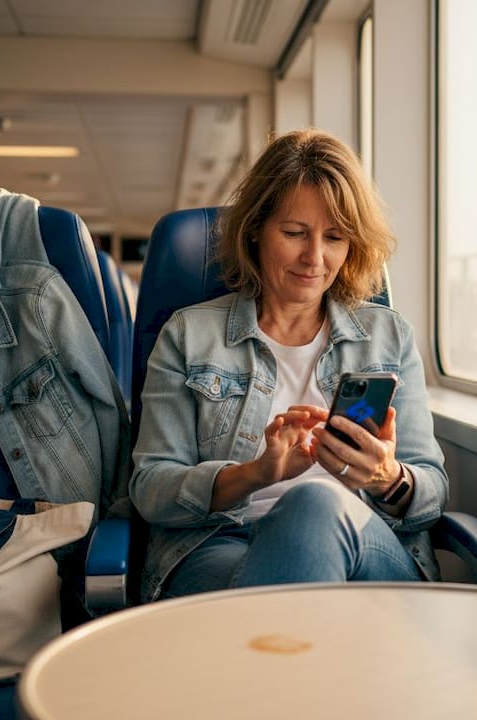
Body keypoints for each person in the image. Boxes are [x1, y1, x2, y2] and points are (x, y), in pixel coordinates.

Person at [129, 128, 448, 603]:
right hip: (220, 545)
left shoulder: (387, 336)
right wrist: (257, 473)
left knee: (317, 501)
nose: (314, 258)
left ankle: (268, 670)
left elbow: (431, 491)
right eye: (295, 233)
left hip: (366, 544)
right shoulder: (189, 335)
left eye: (335, 237)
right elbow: (151, 488)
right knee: (307, 525)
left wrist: (386, 479)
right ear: (256, 228)